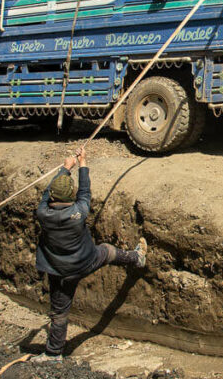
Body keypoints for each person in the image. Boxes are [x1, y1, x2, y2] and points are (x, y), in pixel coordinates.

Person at [34, 146, 146, 361]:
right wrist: (82, 163)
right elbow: (85, 190)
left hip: (57, 269)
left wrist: (65, 169)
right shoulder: (79, 211)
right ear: (71, 196)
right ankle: (137, 258)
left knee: (59, 312)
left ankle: (53, 353)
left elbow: (47, 193)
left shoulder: (43, 213)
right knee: (107, 251)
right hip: (84, 261)